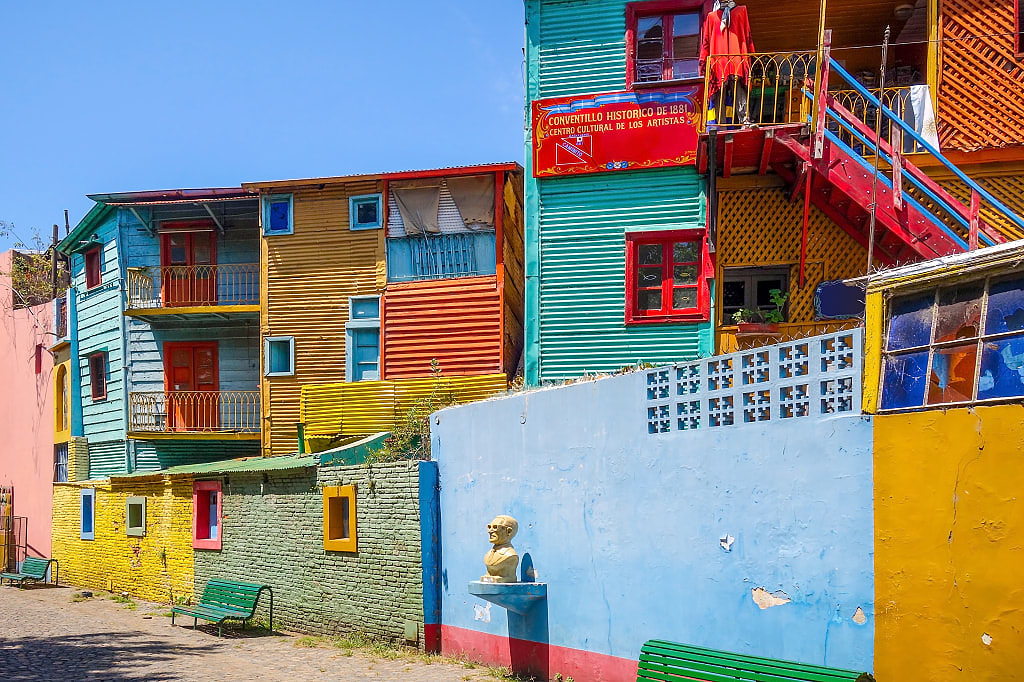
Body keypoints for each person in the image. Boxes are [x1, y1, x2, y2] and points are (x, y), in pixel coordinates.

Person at [699, 1, 755, 126]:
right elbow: (706, 42)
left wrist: (750, 55)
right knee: (719, 93)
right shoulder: (712, 17)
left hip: (737, 58)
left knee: (739, 89)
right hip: (718, 62)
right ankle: (722, 125)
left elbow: (747, 34)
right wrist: (703, 63)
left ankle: (745, 120)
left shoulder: (741, 11)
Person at [482, 515, 520, 583]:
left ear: (509, 531)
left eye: (495, 527)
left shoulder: (510, 555)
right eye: (489, 527)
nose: (490, 531)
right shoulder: (488, 554)